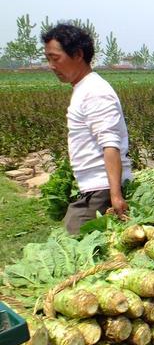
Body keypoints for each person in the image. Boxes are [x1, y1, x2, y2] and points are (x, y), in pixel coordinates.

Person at [42, 23, 132, 234]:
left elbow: (110, 144)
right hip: (96, 188)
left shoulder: (95, 91)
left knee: (71, 243)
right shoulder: (83, 89)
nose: (51, 66)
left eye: (55, 58)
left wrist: (115, 196)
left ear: (78, 54)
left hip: (101, 189)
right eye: (48, 59)